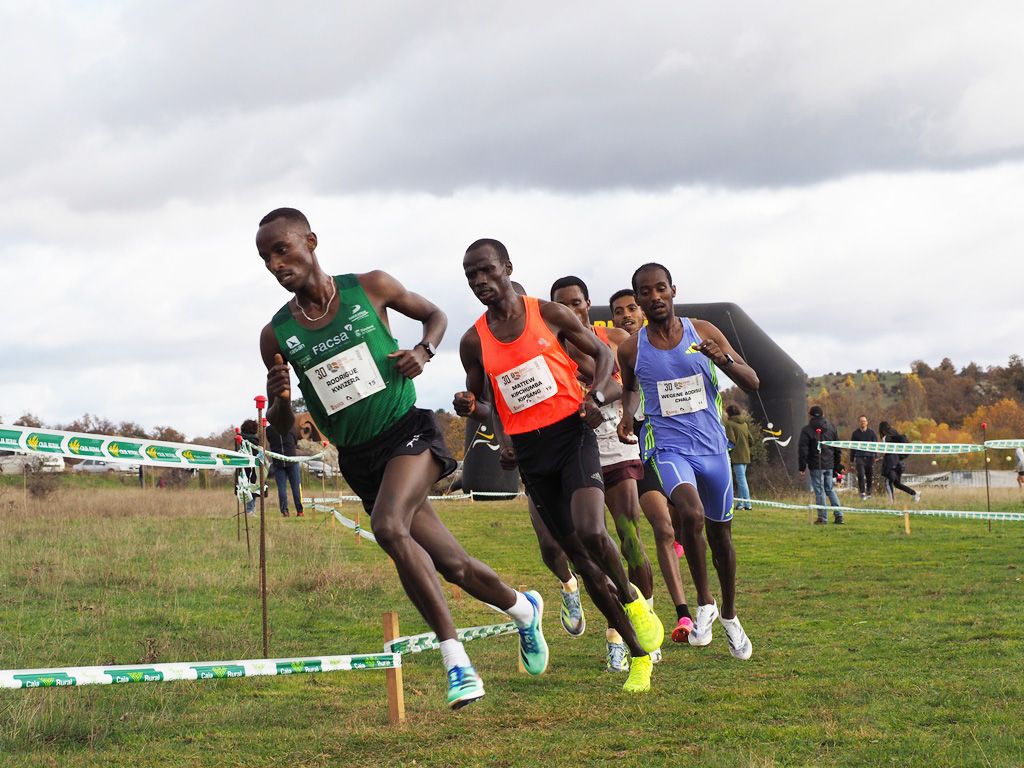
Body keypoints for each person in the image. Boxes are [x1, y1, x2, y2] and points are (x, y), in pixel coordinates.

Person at [257, 208, 547, 710]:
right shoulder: (276, 334)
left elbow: (435, 316)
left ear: (311, 241)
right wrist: (280, 399)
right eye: (265, 257)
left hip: (407, 433)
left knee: (390, 527)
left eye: (282, 249)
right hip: (359, 458)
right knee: (453, 565)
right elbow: (283, 428)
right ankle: (523, 609)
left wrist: (425, 351)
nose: (275, 263)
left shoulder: (370, 287)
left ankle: (455, 661)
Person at [457, 238, 664, 694]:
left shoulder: (547, 314)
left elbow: (606, 355)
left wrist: (594, 397)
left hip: (573, 437)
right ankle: (637, 655)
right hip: (532, 458)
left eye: (487, 271)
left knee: (594, 532)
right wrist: (472, 407)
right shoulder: (473, 340)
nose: (479, 282)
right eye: (470, 275)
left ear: (507, 267)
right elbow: (485, 401)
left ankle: (632, 601)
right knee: (582, 563)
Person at [617, 262, 758, 660]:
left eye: (660, 288)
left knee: (721, 537)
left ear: (673, 290)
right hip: (668, 447)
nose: (654, 297)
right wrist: (628, 415)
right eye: (645, 292)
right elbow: (629, 390)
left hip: (713, 448)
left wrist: (722, 359)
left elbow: (753, 381)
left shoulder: (704, 331)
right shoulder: (632, 348)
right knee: (690, 513)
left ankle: (728, 615)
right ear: (639, 299)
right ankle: (704, 602)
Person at [550, 275, 659, 671]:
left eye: (577, 303)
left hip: (615, 446)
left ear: (587, 303)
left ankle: (643, 619)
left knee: (628, 537)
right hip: (574, 452)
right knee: (589, 549)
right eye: (562, 305)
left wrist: (617, 409)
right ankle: (617, 626)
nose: (571, 310)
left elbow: (627, 383)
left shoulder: (610, 337)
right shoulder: (548, 347)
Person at [610, 287, 695, 648]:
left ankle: (698, 592)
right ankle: (679, 614)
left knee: (685, 524)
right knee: (655, 529)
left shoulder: (664, 346)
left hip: (673, 444)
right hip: (635, 447)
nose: (627, 315)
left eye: (632, 308)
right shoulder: (614, 351)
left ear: (643, 311)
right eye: (619, 311)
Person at [798, 406, 844, 524]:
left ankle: (822, 518)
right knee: (829, 489)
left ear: (811, 416)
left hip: (815, 465)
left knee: (819, 491)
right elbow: (837, 447)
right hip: (829, 465)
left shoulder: (806, 430)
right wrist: (837, 465)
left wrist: (802, 467)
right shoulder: (831, 427)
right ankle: (839, 515)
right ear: (823, 415)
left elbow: (803, 450)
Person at [266, 422, 304, 517]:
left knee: (282, 488)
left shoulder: (269, 429)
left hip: (278, 461)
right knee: (296, 487)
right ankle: (300, 511)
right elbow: (295, 440)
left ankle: (285, 511)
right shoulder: (291, 426)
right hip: (292, 460)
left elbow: (270, 440)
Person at [878, 421, 920, 503]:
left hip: (891, 464)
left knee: (887, 482)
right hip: (899, 464)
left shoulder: (886, 438)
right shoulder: (895, 434)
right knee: (897, 484)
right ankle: (915, 493)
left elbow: (886, 451)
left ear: (881, 430)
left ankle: (891, 502)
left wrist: (880, 458)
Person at [724, 404, 754, 511]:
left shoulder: (729, 424)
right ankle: (740, 504)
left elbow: (731, 441)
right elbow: (751, 440)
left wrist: (725, 451)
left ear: (729, 413)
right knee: (742, 479)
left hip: (737, 456)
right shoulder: (744, 424)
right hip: (746, 455)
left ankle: (748, 503)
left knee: (741, 480)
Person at [849, 415, 878, 500]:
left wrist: (875, 456)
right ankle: (862, 492)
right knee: (861, 475)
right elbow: (852, 447)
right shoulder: (855, 433)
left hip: (870, 457)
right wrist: (851, 459)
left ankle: (869, 493)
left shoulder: (872, 433)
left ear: (867, 422)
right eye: (861, 421)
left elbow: (875, 445)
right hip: (859, 457)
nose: (863, 422)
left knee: (869, 475)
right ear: (859, 422)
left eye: (864, 421)